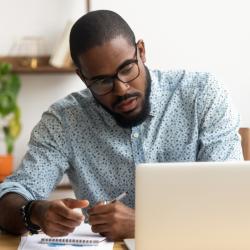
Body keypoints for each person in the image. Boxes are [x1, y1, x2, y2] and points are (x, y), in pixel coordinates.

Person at [0, 10, 243, 240]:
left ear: (141, 51)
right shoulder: (64, 120)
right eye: (102, 81)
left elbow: (233, 205)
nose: (121, 88)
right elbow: (11, 197)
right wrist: (35, 212)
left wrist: (143, 225)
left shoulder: (202, 96)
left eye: (127, 69)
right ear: (83, 77)